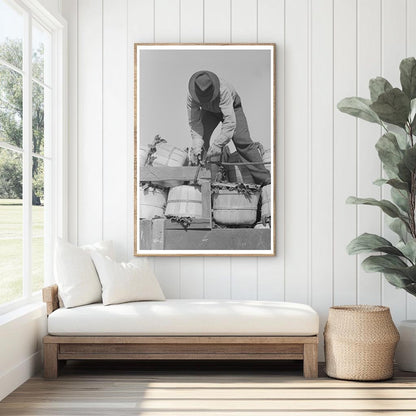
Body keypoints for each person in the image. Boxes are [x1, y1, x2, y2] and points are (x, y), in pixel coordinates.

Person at [187, 70, 271, 186]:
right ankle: (203, 178)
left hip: (232, 108)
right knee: (201, 141)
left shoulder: (223, 90)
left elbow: (229, 122)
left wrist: (218, 144)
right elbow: (195, 122)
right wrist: (197, 143)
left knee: (242, 140)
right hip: (210, 111)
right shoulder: (192, 96)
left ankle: (264, 178)